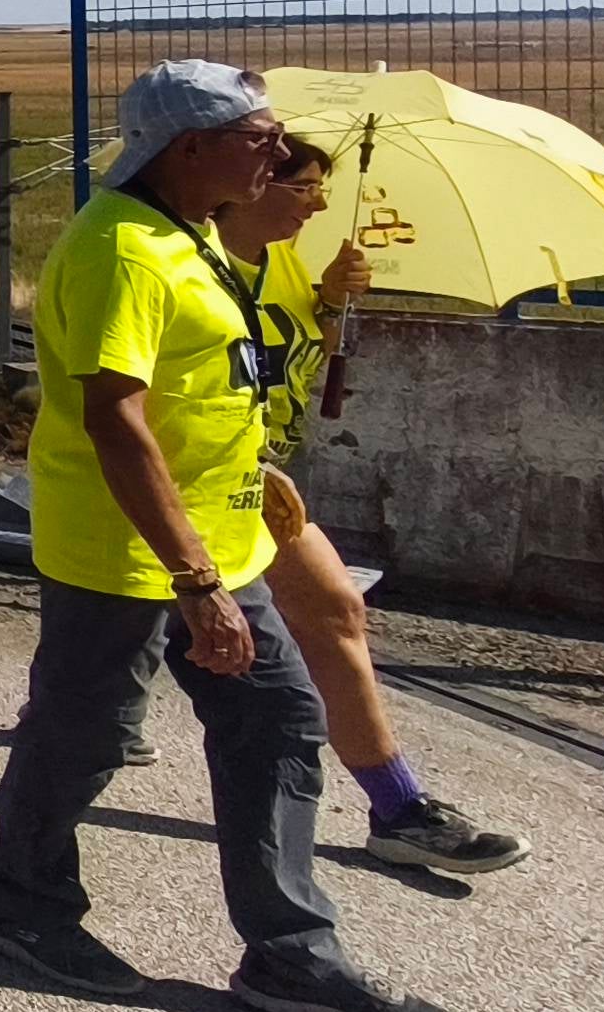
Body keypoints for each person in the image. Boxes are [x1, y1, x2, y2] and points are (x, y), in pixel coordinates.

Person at [0, 61, 457, 1012]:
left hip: (218, 541)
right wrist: (195, 584)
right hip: (126, 552)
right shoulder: (123, 252)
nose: (279, 152)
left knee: (277, 721)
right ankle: (16, 898)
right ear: (188, 149)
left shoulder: (192, 238)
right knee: (84, 733)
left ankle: (288, 951)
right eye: (259, 136)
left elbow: (213, 385)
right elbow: (116, 422)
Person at [213, 134, 528, 873]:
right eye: (304, 188)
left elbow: (296, 360)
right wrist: (247, 459)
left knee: (331, 612)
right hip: (205, 483)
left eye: (325, 188)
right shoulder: (191, 267)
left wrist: (329, 303)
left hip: (257, 487)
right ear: (252, 184)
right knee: (109, 656)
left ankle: (398, 809)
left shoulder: (285, 263)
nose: (321, 202)